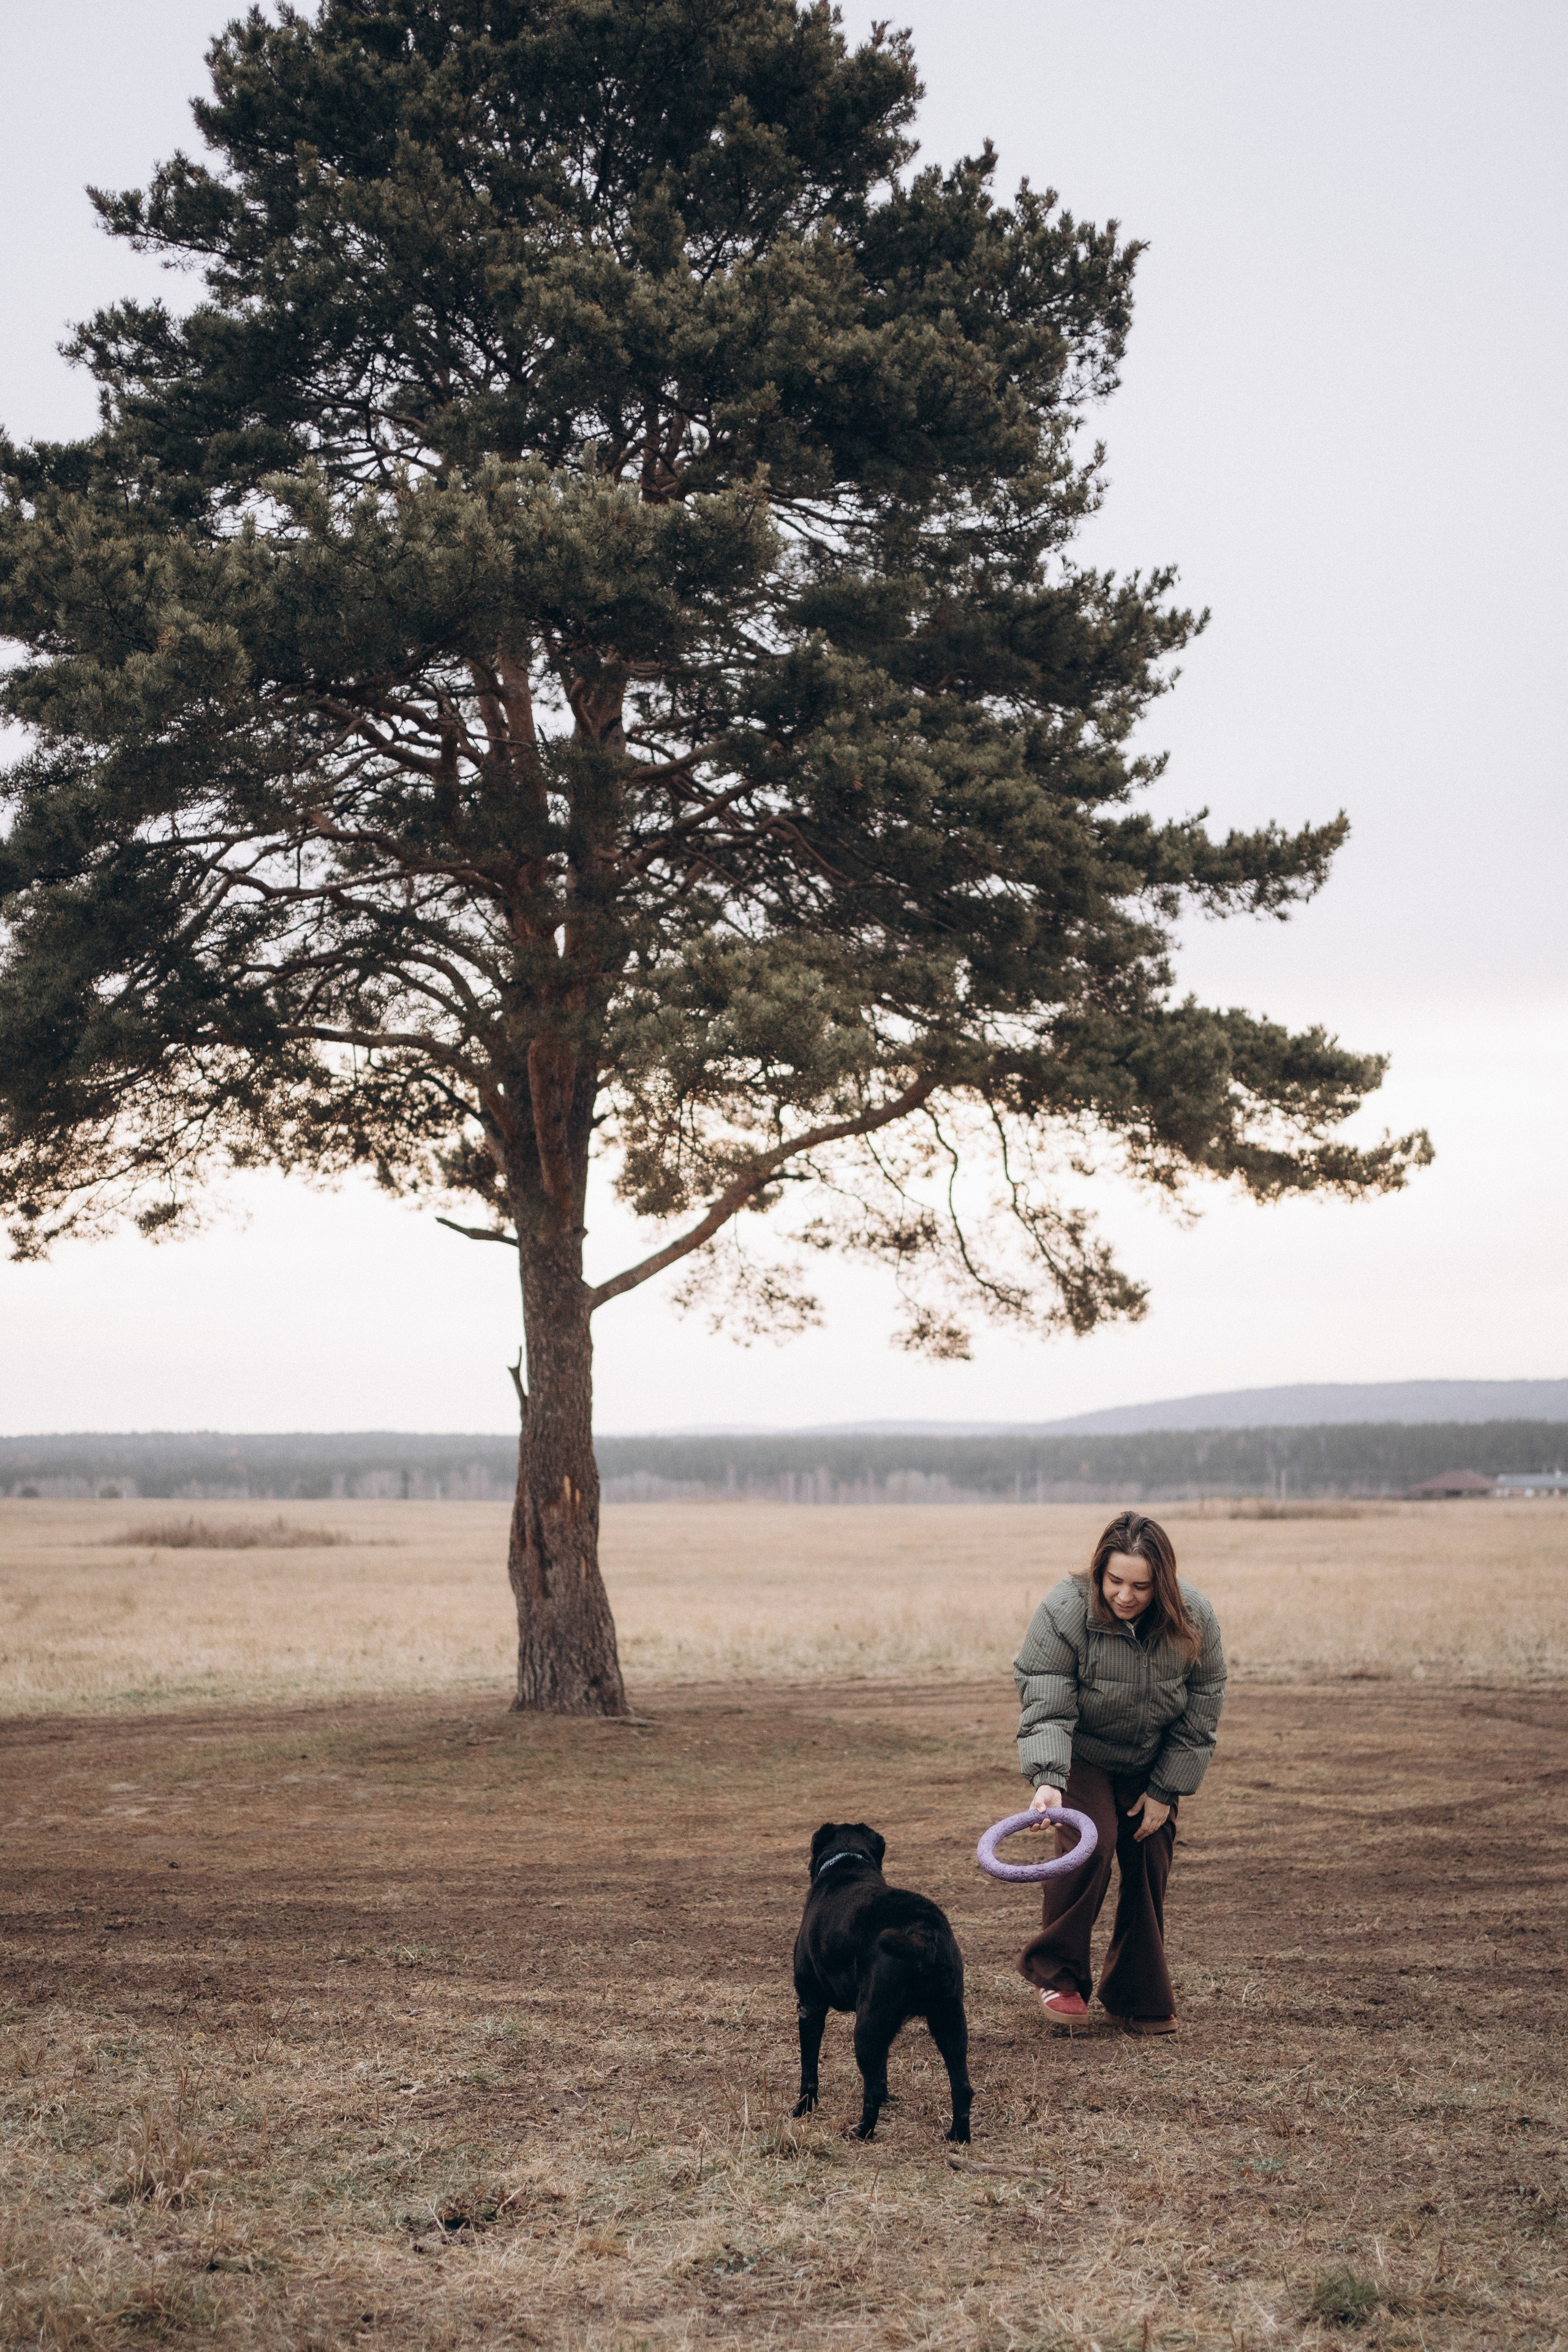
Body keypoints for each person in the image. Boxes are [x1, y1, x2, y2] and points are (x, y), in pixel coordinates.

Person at [1012, 1510, 1226, 2035]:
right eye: (1114, 1581)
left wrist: (1164, 1790)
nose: (1125, 1595)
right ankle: (1057, 1974)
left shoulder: (1195, 1619)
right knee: (1095, 1841)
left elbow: (1203, 1707)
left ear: (1164, 1583)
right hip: (1081, 1753)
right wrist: (1048, 1779)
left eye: (1141, 1585)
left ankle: (1136, 1992)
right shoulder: (1064, 1610)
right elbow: (1047, 1700)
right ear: (1098, 1570)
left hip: (1149, 1757)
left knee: (1151, 1848)